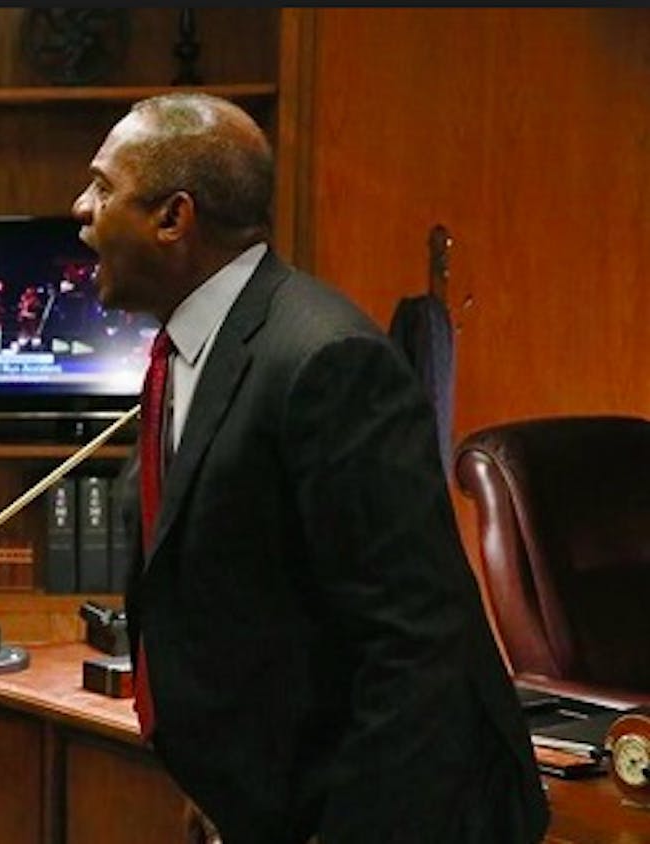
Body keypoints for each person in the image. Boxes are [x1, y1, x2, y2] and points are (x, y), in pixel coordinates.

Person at [73, 93, 547, 842]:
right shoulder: (190, 350)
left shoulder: (327, 361)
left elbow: (413, 645)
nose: (82, 208)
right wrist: (224, 786)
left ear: (174, 218)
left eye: (103, 187)